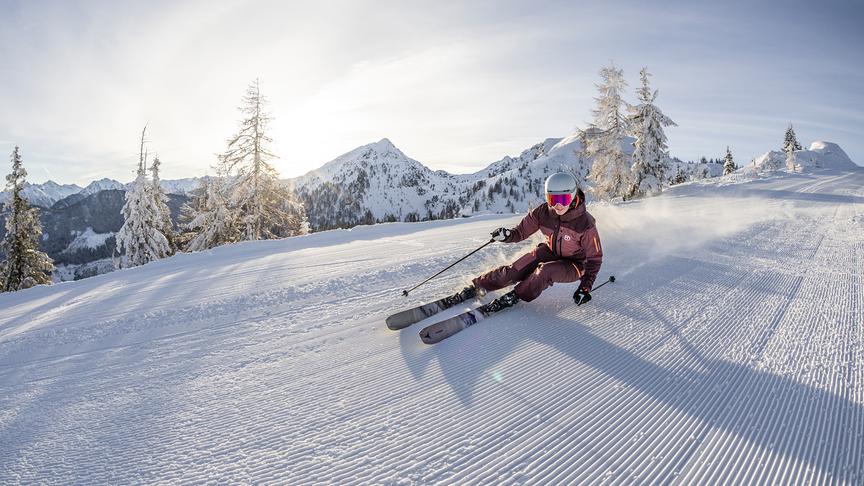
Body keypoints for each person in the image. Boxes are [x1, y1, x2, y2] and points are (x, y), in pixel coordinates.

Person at [451, 172, 603, 313]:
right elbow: (520, 232)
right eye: (552, 200)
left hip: (575, 264)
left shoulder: (585, 224)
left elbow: (595, 259)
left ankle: (516, 295)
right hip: (550, 251)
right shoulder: (542, 213)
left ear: (573, 196)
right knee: (514, 270)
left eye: (563, 200)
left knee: (544, 271)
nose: (558, 206)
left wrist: (585, 287)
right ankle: (478, 286)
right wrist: (507, 235)